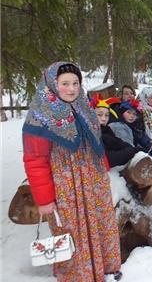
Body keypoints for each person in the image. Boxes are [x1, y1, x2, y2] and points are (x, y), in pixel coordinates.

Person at [22, 62, 122, 281]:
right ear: (51, 84)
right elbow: (35, 160)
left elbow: (96, 143)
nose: (72, 88)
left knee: (100, 221)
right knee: (71, 229)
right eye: (65, 83)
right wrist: (45, 200)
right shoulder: (40, 116)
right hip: (66, 186)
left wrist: (103, 170)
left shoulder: (84, 107)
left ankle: (105, 266)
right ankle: (79, 274)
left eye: (76, 83)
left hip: (93, 181)